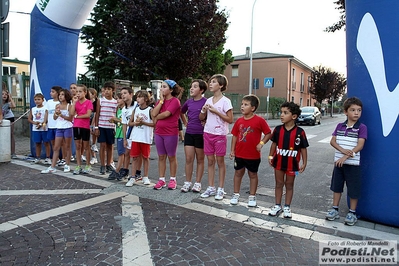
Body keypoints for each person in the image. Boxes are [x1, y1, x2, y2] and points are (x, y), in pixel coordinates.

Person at [325, 97, 367, 226]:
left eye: (359, 110)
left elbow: (360, 145)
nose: (356, 113)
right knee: (336, 187)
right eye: (353, 110)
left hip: (353, 164)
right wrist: (342, 151)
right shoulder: (340, 126)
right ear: (345, 112)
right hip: (339, 164)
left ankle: (352, 212)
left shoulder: (362, 127)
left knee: (353, 189)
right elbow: (333, 141)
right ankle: (335, 209)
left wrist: (346, 156)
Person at [268, 102, 309, 218]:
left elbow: (303, 149)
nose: (282, 115)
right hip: (278, 163)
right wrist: (270, 156)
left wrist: (304, 162)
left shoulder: (300, 132)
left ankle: (287, 206)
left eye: (285, 113)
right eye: (281, 112)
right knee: (278, 183)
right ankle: (277, 205)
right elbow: (273, 144)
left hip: (293, 165)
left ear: (294, 116)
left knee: (289, 184)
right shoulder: (277, 130)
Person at [229, 95, 272, 207]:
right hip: (239, 154)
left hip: (253, 155)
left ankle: (252, 196)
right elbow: (234, 136)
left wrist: (261, 143)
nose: (242, 106)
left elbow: (268, 133)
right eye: (242, 104)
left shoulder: (259, 120)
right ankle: (236, 194)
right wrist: (232, 150)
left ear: (252, 108)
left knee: (253, 174)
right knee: (238, 173)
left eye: (246, 104)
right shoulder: (239, 121)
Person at [199, 74, 233, 200]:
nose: (211, 84)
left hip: (220, 134)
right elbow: (201, 118)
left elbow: (230, 119)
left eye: (214, 82)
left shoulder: (226, 101)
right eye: (210, 82)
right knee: (210, 161)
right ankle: (211, 187)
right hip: (208, 133)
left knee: (220, 161)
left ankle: (221, 189)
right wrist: (203, 110)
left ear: (221, 85)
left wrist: (217, 112)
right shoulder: (208, 100)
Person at [151, 79, 182, 190]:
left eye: (164, 87)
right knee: (161, 156)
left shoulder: (175, 101)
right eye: (161, 86)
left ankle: (173, 179)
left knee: (171, 156)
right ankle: (161, 179)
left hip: (170, 133)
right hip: (159, 132)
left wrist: (156, 117)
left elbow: (166, 114)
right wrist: (161, 101)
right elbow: (154, 113)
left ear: (171, 89)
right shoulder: (160, 102)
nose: (161, 89)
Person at [180, 79, 207, 193]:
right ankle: (187, 182)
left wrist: (206, 122)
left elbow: (210, 115)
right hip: (189, 133)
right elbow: (181, 112)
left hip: (201, 134)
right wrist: (185, 122)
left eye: (195, 86)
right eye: (191, 86)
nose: (191, 88)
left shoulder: (206, 102)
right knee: (189, 158)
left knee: (200, 159)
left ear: (201, 90)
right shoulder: (188, 102)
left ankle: (198, 183)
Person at [126, 90, 154, 186]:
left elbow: (154, 123)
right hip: (136, 137)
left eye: (140, 97)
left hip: (145, 138)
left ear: (146, 99)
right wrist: (136, 123)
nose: (137, 99)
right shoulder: (136, 110)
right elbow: (129, 123)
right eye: (137, 97)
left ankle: (145, 176)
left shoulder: (150, 110)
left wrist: (143, 123)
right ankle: (133, 177)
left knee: (146, 158)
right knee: (134, 158)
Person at [41, 89, 73, 173]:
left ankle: (67, 164)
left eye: (62, 94)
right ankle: (52, 166)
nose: (60, 96)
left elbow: (70, 119)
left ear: (66, 96)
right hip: (59, 127)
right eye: (60, 95)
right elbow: (55, 118)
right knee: (56, 147)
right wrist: (56, 113)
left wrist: (61, 114)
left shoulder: (69, 106)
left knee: (67, 146)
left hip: (67, 127)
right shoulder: (57, 105)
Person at [94, 81, 117, 175]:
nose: (107, 91)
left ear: (113, 91)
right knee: (102, 145)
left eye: (109, 89)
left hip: (111, 127)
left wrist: (115, 126)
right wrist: (96, 127)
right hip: (102, 126)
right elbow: (97, 114)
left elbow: (116, 115)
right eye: (105, 89)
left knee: (110, 146)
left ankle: (109, 164)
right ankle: (102, 165)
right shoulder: (101, 100)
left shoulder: (115, 102)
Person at [71, 84, 93, 174]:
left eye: (80, 91)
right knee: (78, 146)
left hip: (85, 127)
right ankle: (78, 165)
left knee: (86, 146)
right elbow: (72, 113)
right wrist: (74, 103)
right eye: (77, 92)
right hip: (76, 126)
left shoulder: (88, 102)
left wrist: (78, 116)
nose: (78, 94)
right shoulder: (75, 102)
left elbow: (88, 115)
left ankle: (88, 165)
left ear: (85, 92)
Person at [28, 93, 51, 164]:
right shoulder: (33, 109)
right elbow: (29, 119)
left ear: (42, 100)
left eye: (39, 99)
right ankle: (37, 157)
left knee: (46, 143)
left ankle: (48, 157)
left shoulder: (45, 109)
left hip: (44, 129)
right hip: (36, 129)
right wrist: (34, 123)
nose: (37, 101)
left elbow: (47, 119)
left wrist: (41, 124)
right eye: (35, 100)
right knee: (37, 143)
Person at [107, 92, 125, 180]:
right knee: (121, 153)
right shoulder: (118, 109)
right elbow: (119, 121)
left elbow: (124, 121)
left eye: (118, 98)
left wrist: (116, 119)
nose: (117, 100)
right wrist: (114, 121)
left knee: (121, 153)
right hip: (118, 133)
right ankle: (122, 170)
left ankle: (117, 170)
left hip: (123, 134)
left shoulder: (125, 109)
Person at [45, 86, 62, 161]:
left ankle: (63, 157)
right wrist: (44, 122)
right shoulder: (49, 102)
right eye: (51, 91)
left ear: (57, 93)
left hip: (59, 126)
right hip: (50, 126)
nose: (50, 93)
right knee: (53, 142)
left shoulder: (60, 103)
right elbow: (47, 112)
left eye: (53, 92)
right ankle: (56, 158)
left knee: (60, 143)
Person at [2, 84, 16, 158]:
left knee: (11, 134)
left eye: (6, 94)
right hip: (2, 119)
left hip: (9, 118)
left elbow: (14, 106)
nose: (4, 95)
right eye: (2, 94)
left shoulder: (8, 104)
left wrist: (10, 97)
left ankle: (13, 152)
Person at [88, 87, 99, 164]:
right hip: (87, 122)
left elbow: (96, 114)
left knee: (93, 141)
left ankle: (94, 156)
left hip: (93, 123)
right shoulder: (87, 102)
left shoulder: (96, 102)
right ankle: (93, 156)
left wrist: (93, 124)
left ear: (94, 95)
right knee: (89, 141)